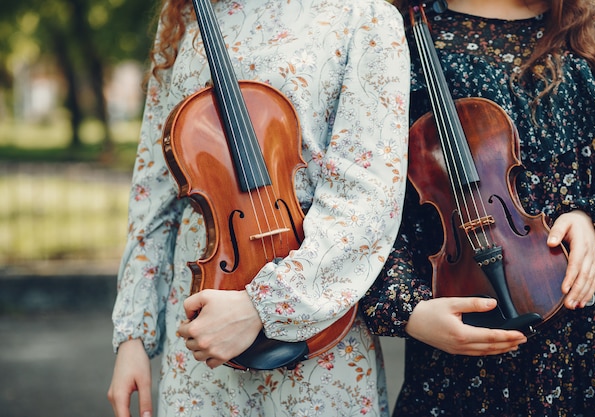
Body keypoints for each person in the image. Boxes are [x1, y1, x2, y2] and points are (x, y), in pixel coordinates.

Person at [107, 0, 414, 416]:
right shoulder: (186, 14)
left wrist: (260, 306)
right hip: (200, 328)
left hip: (317, 327)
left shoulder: (364, 15)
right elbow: (155, 192)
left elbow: (367, 196)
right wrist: (133, 336)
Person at [360, 0, 595, 415]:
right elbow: (367, 200)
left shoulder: (586, 21)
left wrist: (593, 218)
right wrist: (411, 312)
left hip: (578, 335)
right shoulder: (399, 31)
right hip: (459, 334)